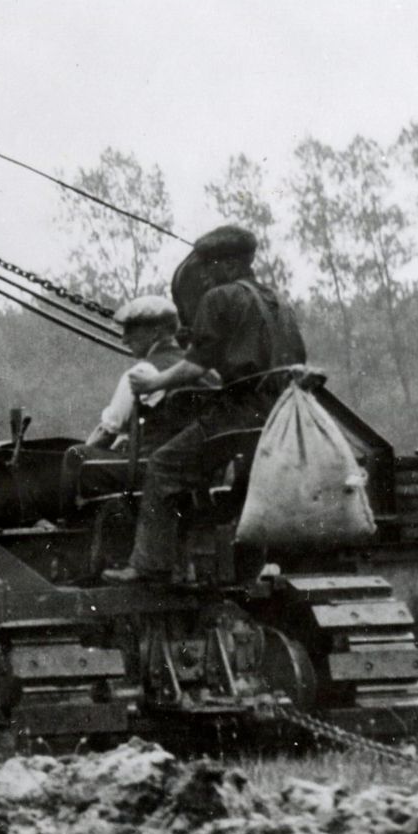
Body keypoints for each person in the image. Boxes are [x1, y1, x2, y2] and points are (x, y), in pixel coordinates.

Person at [104, 225, 307, 583]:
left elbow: (196, 365)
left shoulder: (220, 299)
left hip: (238, 415)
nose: (208, 275)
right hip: (279, 417)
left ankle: (150, 565)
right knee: (244, 487)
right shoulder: (280, 303)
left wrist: (154, 382)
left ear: (229, 265)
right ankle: (245, 569)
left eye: (212, 266)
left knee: (165, 466)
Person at [83, 294, 183, 452]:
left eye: (130, 330)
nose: (124, 340)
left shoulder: (143, 372)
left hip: (146, 465)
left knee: (76, 455)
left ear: (154, 333)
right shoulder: (194, 367)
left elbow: (106, 433)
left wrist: (81, 451)